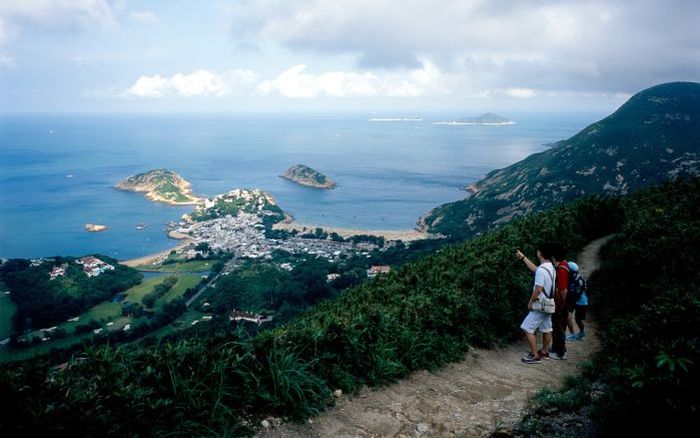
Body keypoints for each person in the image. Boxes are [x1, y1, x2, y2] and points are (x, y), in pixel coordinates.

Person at [516, 243, 555, 364]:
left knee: (527, 328)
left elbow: (538, 289)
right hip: (549, 304)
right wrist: (523, 258)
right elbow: (535, 269)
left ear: (541, 253)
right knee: (546, 328)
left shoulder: (541, 271)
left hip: (540, 304)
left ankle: (534, 355)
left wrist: (530, 302)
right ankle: (544, 351)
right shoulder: (550, 268)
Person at [549, 242, 569, 360]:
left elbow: (563, 290)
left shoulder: (561, 270)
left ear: (553, 257)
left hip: (561, 304)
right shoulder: (564, 264)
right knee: (558, 327)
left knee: (559, 328)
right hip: (564, 303)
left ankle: (560, 353)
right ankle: (556, 348)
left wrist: (561, 304)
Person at [566, 261, 588, 341]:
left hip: (581, 302)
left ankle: (581, 333)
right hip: (576, 301)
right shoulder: (573, 277)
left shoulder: (578, 279)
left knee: (578, 319)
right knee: (568, 316)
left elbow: (577, 294)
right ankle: (573, 333)